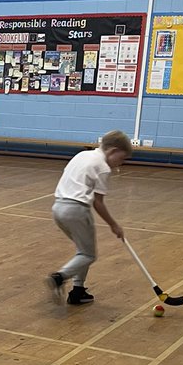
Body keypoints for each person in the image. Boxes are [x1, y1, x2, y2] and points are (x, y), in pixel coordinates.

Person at [46, 130, 133, 306]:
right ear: (113, 151)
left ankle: (78, 292)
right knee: (88, 254)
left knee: (82, 250)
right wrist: (114, 225)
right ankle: (59, 277)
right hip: (77, 211)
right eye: (122, 159)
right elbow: (98, 203)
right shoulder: (102, 167)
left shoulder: (82, 155)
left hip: (58, 208)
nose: (120, 164)